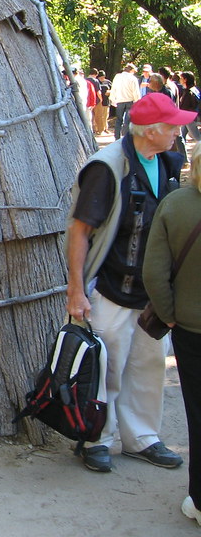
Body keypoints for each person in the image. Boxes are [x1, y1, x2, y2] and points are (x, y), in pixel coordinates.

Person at [66, 91, 196, 472]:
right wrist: (76, 288)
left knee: (148, 362)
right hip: (110, 286)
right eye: (172, 126)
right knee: (106, 362)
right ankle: (96, 438)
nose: (178, 131)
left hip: (152, 291)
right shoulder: (107, 168)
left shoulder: (170, 160)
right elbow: (80, 230)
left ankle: (142, 437)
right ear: (150, 131)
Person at [143, 145, 201, 525]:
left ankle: (198, 500)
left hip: (192, 329)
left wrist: (170, 315)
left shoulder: (177, 205)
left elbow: (154, 273)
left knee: (197, 413)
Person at [110, 63, 141, 139]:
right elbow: (136, 92)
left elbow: (113, 88)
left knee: (119, 120)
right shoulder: (133, 78)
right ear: (132, 70)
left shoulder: (117, 77)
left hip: (120, 101)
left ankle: (117, 137)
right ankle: (125, 137)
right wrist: (137, 102)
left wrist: (113, 99)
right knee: (127, 121)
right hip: (130, 101)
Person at [181, 71, 201, 144]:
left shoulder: (189, 92)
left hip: (189, 117)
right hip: (190, 116)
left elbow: (185, 106)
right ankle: (182, 153)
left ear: (185, 79)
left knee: (197, 138)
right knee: (181, 135)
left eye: (181, 78)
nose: (180, 80)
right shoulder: (194, 89)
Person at [88, 68, 106, 136]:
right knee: (98, 115)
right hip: (96, 100)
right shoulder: (96, 81)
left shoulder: (85, 80)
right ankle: (100, 130)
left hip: (88, 101)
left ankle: (92, 129)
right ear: (96, 74)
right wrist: (101, 99)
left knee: (91, 116)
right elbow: (98, 92)